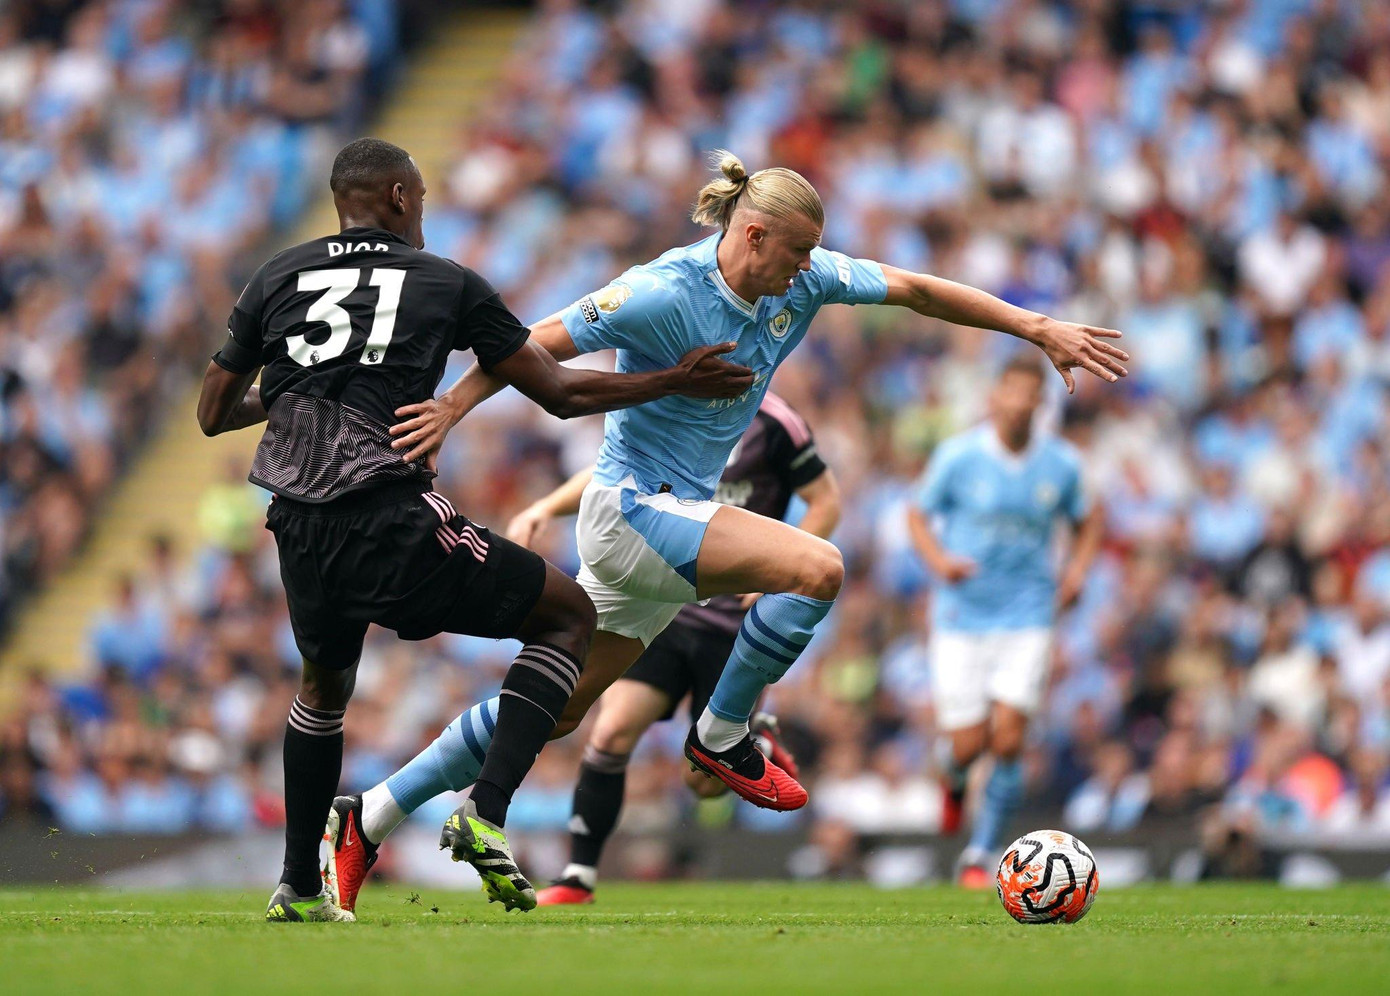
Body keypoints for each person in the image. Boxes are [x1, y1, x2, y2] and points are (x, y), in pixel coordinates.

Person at [335, 150, 1126, 899]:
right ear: (753, 235)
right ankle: (721, 733)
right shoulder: (662, 291)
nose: (808, 267)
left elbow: (916, 290)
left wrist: (1036, 327)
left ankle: (370, 814)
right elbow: (531, 342)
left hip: (668, 521)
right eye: (798, 251)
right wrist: (451, 408)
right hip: (631, 510)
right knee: (818, 569)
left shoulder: (804, 280)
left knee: (558, 709)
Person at [195, 137, 755, 922]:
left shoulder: (277, 274)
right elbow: (559, 393)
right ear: (398, 196)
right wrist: (673, 380)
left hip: (296, 524)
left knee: (322, 689)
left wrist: (299, 388)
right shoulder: (444, 281)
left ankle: (297, 886)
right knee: (568, 617)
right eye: (420, 197)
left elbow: (213, 412)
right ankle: (485, 810)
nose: (423, 211)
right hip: (386, 513)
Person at [509, 394, 838, 904]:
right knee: (611, 731)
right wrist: (545, 507)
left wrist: (784, 571)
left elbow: (826, 500)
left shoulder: (777, 421)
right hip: (666, 609)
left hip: (732, 626)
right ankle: (578, 876)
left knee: (703, 784)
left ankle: (757, 740)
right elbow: (613, 475)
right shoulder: (674, 400)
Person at [906, 356, 1104, 887]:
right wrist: (939, 562)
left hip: (1029, 613)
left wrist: (1077, 571)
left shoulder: (1062, 464)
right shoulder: (959, 456)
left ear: (1040, 403)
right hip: (962, 614)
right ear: (993, 397)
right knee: (969, 745)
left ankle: (980, 853)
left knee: (1011, 739)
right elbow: (917, 514)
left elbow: (1089, 519)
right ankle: (953, 777)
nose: (1017, 403)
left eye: (1027, 394)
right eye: (1009, 391)